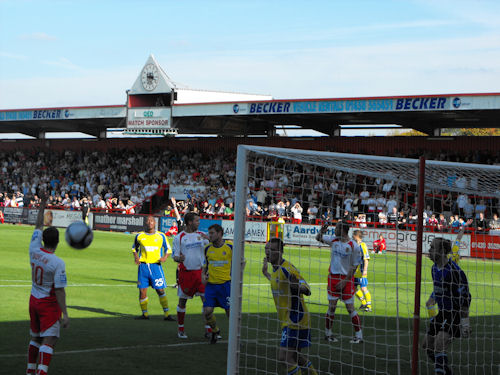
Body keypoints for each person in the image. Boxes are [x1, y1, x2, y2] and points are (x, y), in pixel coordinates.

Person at [27, 195, 69, 375]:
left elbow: (38, 226)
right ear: (58, 242)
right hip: (48, 305)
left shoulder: (34, 249)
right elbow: (59, 291)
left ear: (43, 239)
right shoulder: (57, 262)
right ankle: (41, 373)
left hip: (33, 300)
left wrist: (42, 205)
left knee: (36, 336)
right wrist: (65, 313)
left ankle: (30, 371)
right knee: (49, 340)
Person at [262, 238, 318, 375]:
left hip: (295, 319)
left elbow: (307, 288)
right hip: (290, 320)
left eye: (272, 250)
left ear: (280, 252)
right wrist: (266, 274)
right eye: (266, 249)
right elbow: (278, 282)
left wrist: (298, 287)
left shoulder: (288, 269)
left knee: (284, 357)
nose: (268, 252)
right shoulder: (276, 269)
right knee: (295, 356)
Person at [422, 237, 471, 375]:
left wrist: (465, 322)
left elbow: (465, 297)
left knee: (439, 345)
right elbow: (439, 288)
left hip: (453, 314)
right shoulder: (434, 268)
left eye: (432, 248)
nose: (429, 251)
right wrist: (432, 299)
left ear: (442, 251)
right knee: (427, 346)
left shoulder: (454, 272)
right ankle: (446, 370)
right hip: (442, 313)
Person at [316, 221, 363, 344]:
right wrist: (322, 230)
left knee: (350, 308)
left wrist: (345, 281)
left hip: (346, 280)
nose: (334, 230)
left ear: (342, 230)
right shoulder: (334, 241)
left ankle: (359, 335)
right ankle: (328, 334)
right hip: (333, 278)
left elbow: (354, 266)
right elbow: (318, 238)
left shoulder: (354, 246)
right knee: (331, 307)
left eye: (336, 228)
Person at [172, 212, 210, 339]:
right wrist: (179, 258)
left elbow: (212, 245)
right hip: (186, 273)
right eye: (197, 221)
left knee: (206, 302)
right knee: (182, 301)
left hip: (200, 273)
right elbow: (175, 256)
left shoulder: (201, 235)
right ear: (189, 222)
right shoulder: (179, 237)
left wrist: (209, 239)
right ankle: (180, 329)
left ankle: (208, 330)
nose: (199, 223)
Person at [132, 216, 175, 321]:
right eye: (148, 221)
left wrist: (165, 257)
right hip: (143, 267)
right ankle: (145, 314)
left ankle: (167, 314)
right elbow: (134, 248)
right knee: (142, 291)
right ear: (145, 223)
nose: (150, 222)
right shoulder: (139, 236)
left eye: (152, 221)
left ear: (155, 223)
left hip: (156, 266)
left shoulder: (161, 236)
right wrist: (136, 257)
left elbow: (168, 249)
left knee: (160, 290)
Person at [202, 224, 233, 344]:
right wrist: (203, 276)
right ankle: (215, 330)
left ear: (220, 233)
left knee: (230, 313)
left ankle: (235, 338)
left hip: (226, 285)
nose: (210, 235)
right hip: (211, 286)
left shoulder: (230, 247)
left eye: (212, 233)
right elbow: (204, 267)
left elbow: (240, 264)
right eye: (209, 233)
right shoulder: (207, 249)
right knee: (207, 311)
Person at [352, 230, 372, 312]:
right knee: (353, 288)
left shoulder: (363, 245)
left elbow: (366, 259)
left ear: (357, 236)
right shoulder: (355, 246)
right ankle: (363, 303)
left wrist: (365, 270)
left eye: (353, 235)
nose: (352, 237)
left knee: (363, 288)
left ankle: (369, 305)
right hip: (355, 272)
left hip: (361, 272)